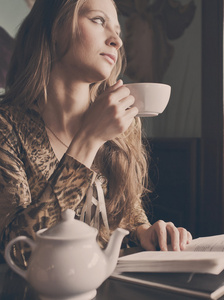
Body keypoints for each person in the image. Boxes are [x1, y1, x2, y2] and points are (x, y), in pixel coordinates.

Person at [0, 0, 192, 266]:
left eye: (118, 30)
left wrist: (144, 232)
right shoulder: (7, 126)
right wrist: (88, 140)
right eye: (98, 21)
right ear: (55, 29)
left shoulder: (122, 123)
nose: (116, 40)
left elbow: (126, 213)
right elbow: (17, 252)